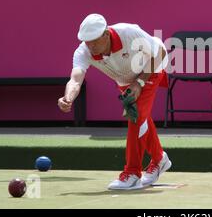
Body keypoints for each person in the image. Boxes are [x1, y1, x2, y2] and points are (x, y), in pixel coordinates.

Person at [57, 13, 172, 190]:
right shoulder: (84, 51)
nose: (91, 46)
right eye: (87, 41)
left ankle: (133, 173)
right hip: (125, 79)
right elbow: (75, 79)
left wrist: (140, 83)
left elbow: (160, 53)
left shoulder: (129, 32)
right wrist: (68, 97)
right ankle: (159, 159)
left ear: (106, 34)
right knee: (141, 117)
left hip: (152, 67)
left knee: (136, 115)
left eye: (94, 41)